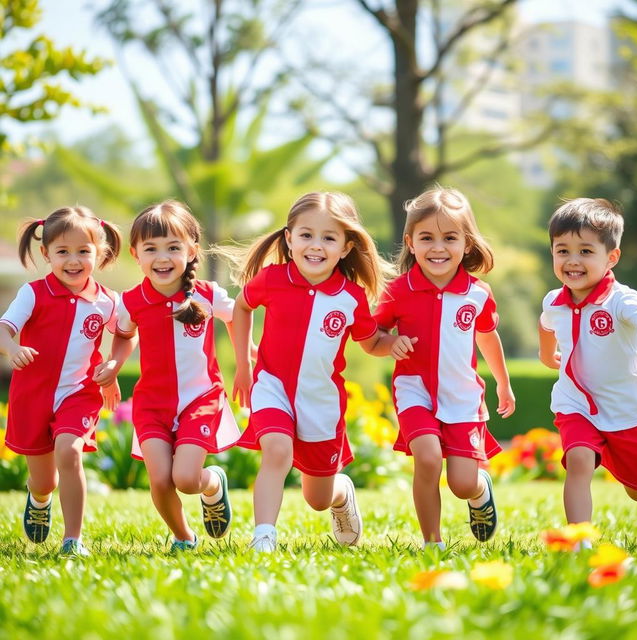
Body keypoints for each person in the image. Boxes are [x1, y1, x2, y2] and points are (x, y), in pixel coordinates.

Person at [229, 191, 405, 552]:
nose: (316, 245)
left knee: (318, 498)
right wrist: (244, 364)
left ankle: (341, 493)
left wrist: (395, 344)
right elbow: (241, 307)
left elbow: (371, 342)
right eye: (306, 235)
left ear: (345, 247)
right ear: (289, 238)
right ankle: (264, 537)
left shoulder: (351, 297)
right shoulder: (272, 279)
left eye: (329, 237)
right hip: (271, 386)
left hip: (321, 402)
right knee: (275, 450)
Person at [374, 187, 515, 550]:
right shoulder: (397, 291)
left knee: (462, 483)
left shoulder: (478, 293)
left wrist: (503, 383)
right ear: (410, 242)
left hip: (463, 397)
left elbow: (487, 337)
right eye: (427, 238)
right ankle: (432, 542)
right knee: (427, 457)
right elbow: (372, 336)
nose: (438, 247)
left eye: (449, 238)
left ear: (466, 243)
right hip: (413, 391)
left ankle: (480, 491)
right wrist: (391, 344)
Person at [114, 200, 240, 552]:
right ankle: (184, 537)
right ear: (135, 254)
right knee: (159, 479)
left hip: (201, 399)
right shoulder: (131, 301)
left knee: (185, 479)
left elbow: (238, 316)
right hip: (151, 404)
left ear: (192, 250)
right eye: (151, 249)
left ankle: (212, 483)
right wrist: (112, 367)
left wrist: (247, 357)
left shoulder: (207, 295)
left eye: (173, 247)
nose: (162, 257)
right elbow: (124, 336)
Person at [0, 206, 124, 556]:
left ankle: (73, 540)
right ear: (46, 253)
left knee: (69, 453)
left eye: (84, 251)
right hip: (32, 396)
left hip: (78, 394)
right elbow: (4, 328)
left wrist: (114, 364)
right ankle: (39, 500)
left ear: (99, 253)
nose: (74, 260)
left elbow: (126, 334)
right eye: (63, 252)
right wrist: (11, 347)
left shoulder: (107, 301)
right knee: (44, 481)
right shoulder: (33, 293)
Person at [539, 198, 637, 545]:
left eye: (585, 251)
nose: (572, 261)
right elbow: (546, 322)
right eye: (562, 250)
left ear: (610, 257)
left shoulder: (622, 301)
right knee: (579, 460)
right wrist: (544, 352)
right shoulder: (554, 300)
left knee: (636, 491)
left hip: (628, 410)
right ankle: (579, 540)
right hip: (575, 405)